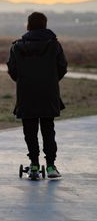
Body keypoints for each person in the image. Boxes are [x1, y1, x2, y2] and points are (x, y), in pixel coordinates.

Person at [7, 12, 68, 179]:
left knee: (30, 130)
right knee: (48, 129)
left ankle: (34, 166)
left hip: (26, 93)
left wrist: (25, 81)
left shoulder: (17, 46)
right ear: (44, 25)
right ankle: (50, 166)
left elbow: (12, 71)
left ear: (28, 25)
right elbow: (62, 67)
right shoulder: (54, 45)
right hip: (48, 93)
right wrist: (50, 81)